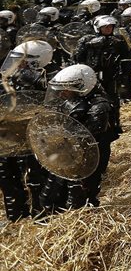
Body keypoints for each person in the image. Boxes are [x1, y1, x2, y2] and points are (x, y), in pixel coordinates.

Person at [40, 64, 116, 212]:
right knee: (50, 195)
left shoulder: (99, 106)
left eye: (67, 90)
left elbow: (87, 135)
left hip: (89, 155)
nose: (62, 94)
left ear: (82, 86)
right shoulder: (74, 99)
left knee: (79, 197)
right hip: (66, 152)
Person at [0, 40, 54, 221]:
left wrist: (37, 81)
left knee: (36, 177)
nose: (16, 64)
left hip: (33, 136)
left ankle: (40, 215)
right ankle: (15, 217)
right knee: (7, 176)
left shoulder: (51, 77)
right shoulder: (7, 77)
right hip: (7, 134)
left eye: (21, 60)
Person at [74, 14, 130, 135]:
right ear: (98, 28)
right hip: (91, 75)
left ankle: (114, 124)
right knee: (93, 100)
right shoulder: (86, 40)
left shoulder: (117, 40)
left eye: (110, 26)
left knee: (114, 101)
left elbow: (126, 57)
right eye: (105, 27)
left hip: (111, 76)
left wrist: (123, 76)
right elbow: (77, 57)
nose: (108, 29)